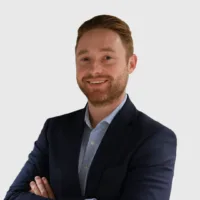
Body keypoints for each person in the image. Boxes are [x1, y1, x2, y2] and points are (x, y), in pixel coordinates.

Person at [4, 14, 177, 200]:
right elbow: (13, 196)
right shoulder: (54, 130)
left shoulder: (155, 139)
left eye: (107, 57)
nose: (95, 70)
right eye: (85, 59)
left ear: (131, 63)